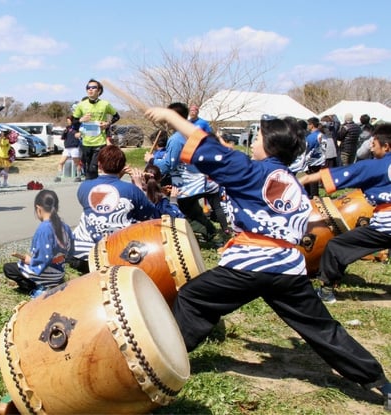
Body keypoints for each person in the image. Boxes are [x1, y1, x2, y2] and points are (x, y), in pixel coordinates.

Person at [144, 107, 391, 408]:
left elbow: (201, 141)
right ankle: (379, 381)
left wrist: (169, 118)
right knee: (322, 328)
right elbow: (222, 153)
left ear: (271, 145)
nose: (253, 141)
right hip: (289, 270)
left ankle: (164, 363)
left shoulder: (249, 170)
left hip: (249, 265)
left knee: (194, 298)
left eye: (258, 137)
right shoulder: (291, 183)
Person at [299, 122, 391, 304]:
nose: (371, 147)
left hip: (386, 226)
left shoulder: (379, 166)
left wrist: (307, 178)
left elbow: (344, 172)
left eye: (374, 143)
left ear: (386, 146)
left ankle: (326, 290)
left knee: (337, 247)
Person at [69, 145, 157, 273]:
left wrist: (117, 176)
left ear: (99, 165)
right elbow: (147, 214)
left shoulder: (84, 187)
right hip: (118, 256)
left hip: (83, 255)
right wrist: (138, 185)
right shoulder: (131, 190)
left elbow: (108, 191)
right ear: (122, 166)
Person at [144, 102, 224, 244]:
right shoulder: (191, 132)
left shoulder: (176, 139)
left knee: (182, 212)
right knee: (193, 210)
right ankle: (212, 234)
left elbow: (169, 164)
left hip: (185, 184)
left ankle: (205, 235)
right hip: (197, 179)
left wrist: (152, 160)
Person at [3, 189, 74, 297]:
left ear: (38, 208)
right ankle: (48, 284)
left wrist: (29, 261)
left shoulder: (44, 229)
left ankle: (39, 289)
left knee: (8, 268)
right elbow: (71, 250)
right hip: (59, 271)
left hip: (47, 274)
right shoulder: (65, 226)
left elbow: (42, 260)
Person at [72, 79, 120, 180]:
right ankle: (92, 187)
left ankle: (92, 188)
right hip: (85, 142)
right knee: (87, 169)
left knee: (93, 168)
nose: (90, 90)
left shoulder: (105, 104)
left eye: (94, 88)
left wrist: (107, 123)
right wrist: (81, 119)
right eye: (88, 88)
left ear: (99, 91)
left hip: (99, 142)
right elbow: (74, 122)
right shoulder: (81, 105)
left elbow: (116, 116)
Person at [301, 117, 326, 198]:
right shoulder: (322, 134)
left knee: (311, 179)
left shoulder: (311, 137)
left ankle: (313, 195)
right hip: (320, 159)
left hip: (312, 160)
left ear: (311, 125)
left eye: (308, 124)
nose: (308, 126)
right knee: (314, 178)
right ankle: (313, 194)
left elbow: (307, 149)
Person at [54, 115, 82, 182]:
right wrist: (64, 133)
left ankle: (78, 176)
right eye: (67, 121)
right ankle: (59, 176)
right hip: (67, 148)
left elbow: (78, 132)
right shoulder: (67, 128)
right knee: (61, 162)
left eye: (69, 120)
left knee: (76, 163)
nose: (68, 122)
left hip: (74, 147)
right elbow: (63, 137)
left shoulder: (76, 127)